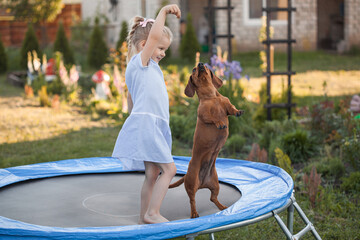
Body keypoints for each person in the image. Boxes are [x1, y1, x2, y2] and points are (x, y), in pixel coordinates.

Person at [112, 4, 181, 224]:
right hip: (148, 125)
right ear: (145, 44)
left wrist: (135, 126)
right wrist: (163, 12)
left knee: (152, 174)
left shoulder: (147, 67)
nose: (162, 53)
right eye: (160, 48)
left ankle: (144, 216)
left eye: (164, 50)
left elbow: (132, 99)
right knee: (169, 169)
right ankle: (152, 213)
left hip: (151, 126)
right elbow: (153, 39)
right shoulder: (140, 63)